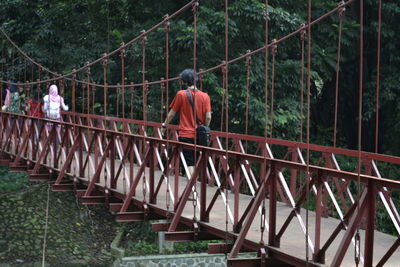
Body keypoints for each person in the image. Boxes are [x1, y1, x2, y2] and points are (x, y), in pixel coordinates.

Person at [161, 69, 212, 177]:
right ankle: (194, 189)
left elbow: (171, 114)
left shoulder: (181, 94)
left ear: (184, 81)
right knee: (197, 162)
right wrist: (204, 128)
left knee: (189, 163)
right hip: (200, 136)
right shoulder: (205, 96)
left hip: (185, 135)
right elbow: (208, 117)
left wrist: (164, 125)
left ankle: (192, 189)